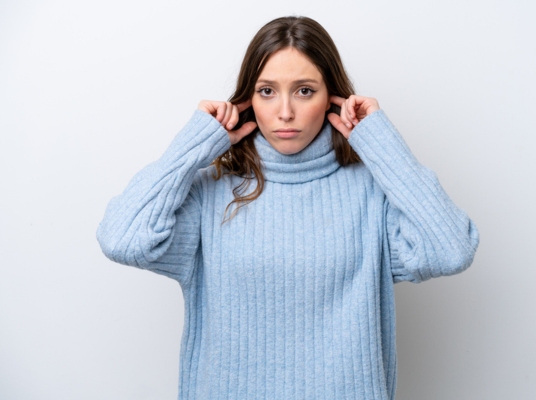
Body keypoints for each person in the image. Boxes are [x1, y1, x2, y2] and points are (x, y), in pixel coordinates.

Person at [96, 15, 479, 400]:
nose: (284, 112)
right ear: (248, 98)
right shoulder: (210, 194)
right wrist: (193, 146)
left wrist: (379, 142)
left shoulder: (373, 195)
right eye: (266, 91)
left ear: (332, 96)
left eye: (304, 91)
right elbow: (122, 240)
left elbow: (450, 251)